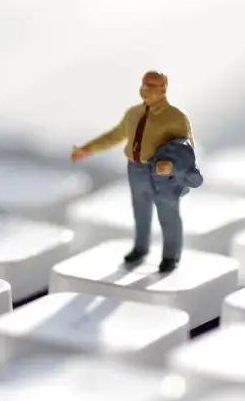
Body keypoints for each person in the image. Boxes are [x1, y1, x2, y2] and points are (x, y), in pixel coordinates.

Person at [70, 71, 195, 272]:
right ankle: (140, 248)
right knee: (140, 211)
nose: (145, 89)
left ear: (163, 89)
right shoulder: (133, 113)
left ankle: (171, 255)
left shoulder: (176, 117)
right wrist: (88, 148)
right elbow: (115, 135)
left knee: (168, 214)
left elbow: (186, 150)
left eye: (151, 85)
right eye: (144, 84)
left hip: (161, 174)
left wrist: (172, 168)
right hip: (135, 169)